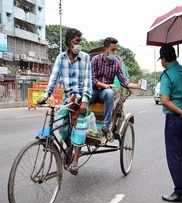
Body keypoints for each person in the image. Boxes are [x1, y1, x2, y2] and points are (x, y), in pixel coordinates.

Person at [44, 28, 92, 175]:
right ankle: (71, 148)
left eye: (80, 41)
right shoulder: (61, 58)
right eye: (76, 41)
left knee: (79, 125)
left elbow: (87, 81)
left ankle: (76, 161)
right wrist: (46, 95)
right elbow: (53, 77)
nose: (78, 44)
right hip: (67, 98)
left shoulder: (85, 58)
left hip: (81, 98)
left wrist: (84, 100)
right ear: (69, 41)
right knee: (62, 127)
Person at [158, 44, 182, 203]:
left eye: (161, 59)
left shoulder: (167, 75)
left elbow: (164, 100)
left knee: (174, 155)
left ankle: (179, 192)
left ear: (164, 59)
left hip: (175, 118)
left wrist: (179, 112)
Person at [90, 37, 141, 138]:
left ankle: (106, 127)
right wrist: (104, 85)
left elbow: (124, 81)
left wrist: (137, 85)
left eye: (115, 50)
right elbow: (92, 79)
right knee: (83, 97)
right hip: (94, 90)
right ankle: (82, 124)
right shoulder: (95, 60)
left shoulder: (116, 63)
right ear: (105, 49)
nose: (114, 52)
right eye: (112, 50)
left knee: (109, 93)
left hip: (105, 93)